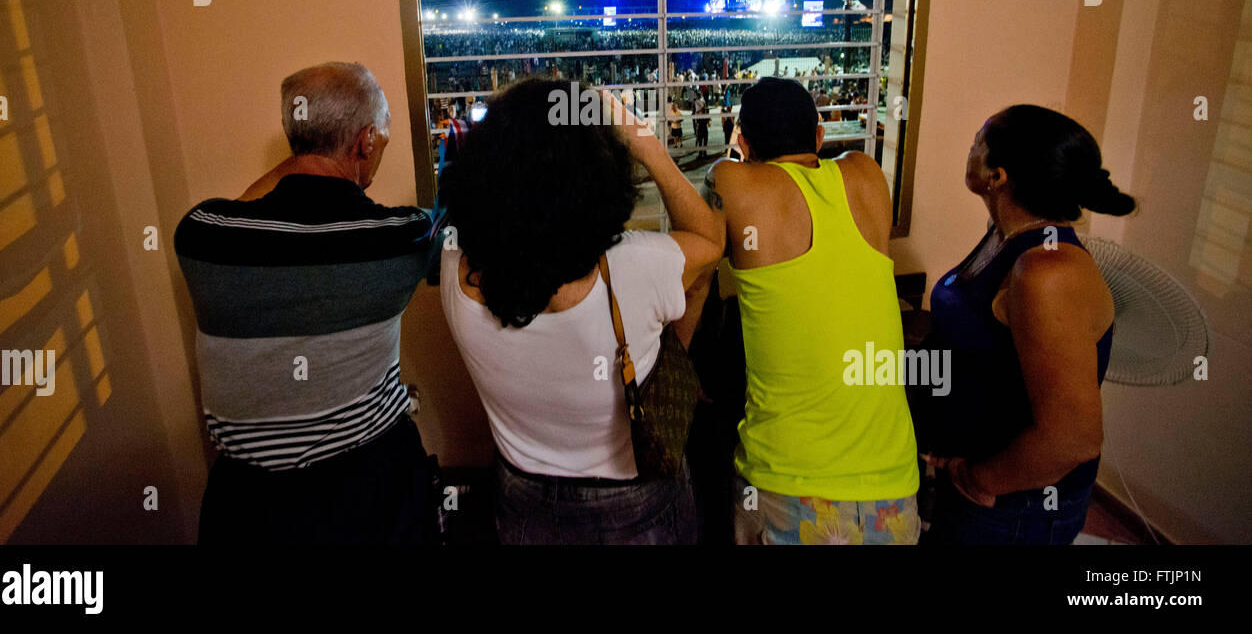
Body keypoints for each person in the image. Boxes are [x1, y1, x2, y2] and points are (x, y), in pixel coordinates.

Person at [438, 78, 723, 544]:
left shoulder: (456, 269)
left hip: (520, 498)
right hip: (636, 502)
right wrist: (646, 145)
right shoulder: (635, 266)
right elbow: (709, 238)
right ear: (600, 175)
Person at [174, 62, 436, 544]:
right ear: (367, 142)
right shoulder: (403, 237)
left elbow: (251, 206)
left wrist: (303, 153)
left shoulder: (202, 234)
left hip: (246, 507)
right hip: (371, 496)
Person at [699, 77, 920, 545]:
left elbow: (702, 251)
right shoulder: (866, 175)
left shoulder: (728, 178)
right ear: (818, 137)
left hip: (790, 487)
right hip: (894, 489)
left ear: (742, 142)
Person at [914, 105, 1133, 545]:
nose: (970, 148)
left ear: (998, 176)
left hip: (1012, 508)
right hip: (968, 483)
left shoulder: (1047, 272)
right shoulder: (1004, 236)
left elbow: (1072, 438)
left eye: (978, 140)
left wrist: (982, 480)